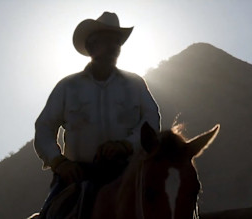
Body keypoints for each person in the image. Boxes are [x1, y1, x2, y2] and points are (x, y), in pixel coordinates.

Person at [34, 12, 161, 217]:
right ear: (91, 46)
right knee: (52, 214)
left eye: (116, 42)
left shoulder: (135, 84)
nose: (113, 47)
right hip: (76, 175)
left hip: (127, 171)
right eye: (107, 41)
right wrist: (60, 163)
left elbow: (152, 120)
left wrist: (126, 145)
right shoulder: (68, 86)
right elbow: (44, 128)